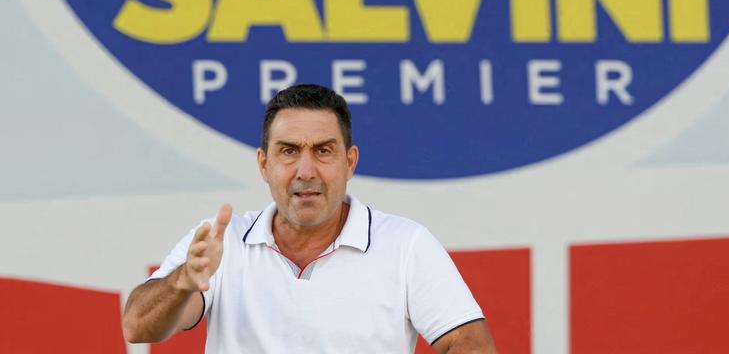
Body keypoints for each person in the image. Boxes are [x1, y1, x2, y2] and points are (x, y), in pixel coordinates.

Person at [122, 84, 497, 353]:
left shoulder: (405, 243)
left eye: (323, 151)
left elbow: (469, 344)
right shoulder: (223, 242)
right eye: (288, 151)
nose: (306, 170)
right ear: (264, 164)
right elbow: (138, 327)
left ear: (349, 162)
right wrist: (184, 281)